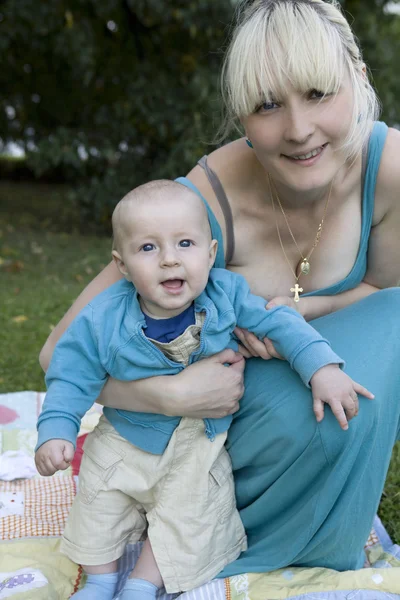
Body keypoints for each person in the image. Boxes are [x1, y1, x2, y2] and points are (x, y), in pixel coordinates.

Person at [39, 0, 400, 584]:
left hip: (320, 392)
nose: (299, 129)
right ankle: (225, 543)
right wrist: (170, 395)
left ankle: (321, 538)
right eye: (267, 105)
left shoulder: (389, 169)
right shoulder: (205, 198)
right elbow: (57, 353)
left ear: (358, 78)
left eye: (318, 93)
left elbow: (385, 288)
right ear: (240, 115)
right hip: (216, 437)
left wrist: (304, 310)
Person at [35, 180, 371, 600]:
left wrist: (321, 367)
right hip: (124, 434)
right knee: (98, 498)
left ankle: (142, 582)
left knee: (188, 512)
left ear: (211, 254)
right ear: (121, 266)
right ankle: (101, 579)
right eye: (148, 249)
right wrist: (56, 428)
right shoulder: (103, 318)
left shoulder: (226, 295)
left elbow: (279, 324)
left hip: (198, 439)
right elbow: (70, 372)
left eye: (185, 243)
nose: (170, 259)